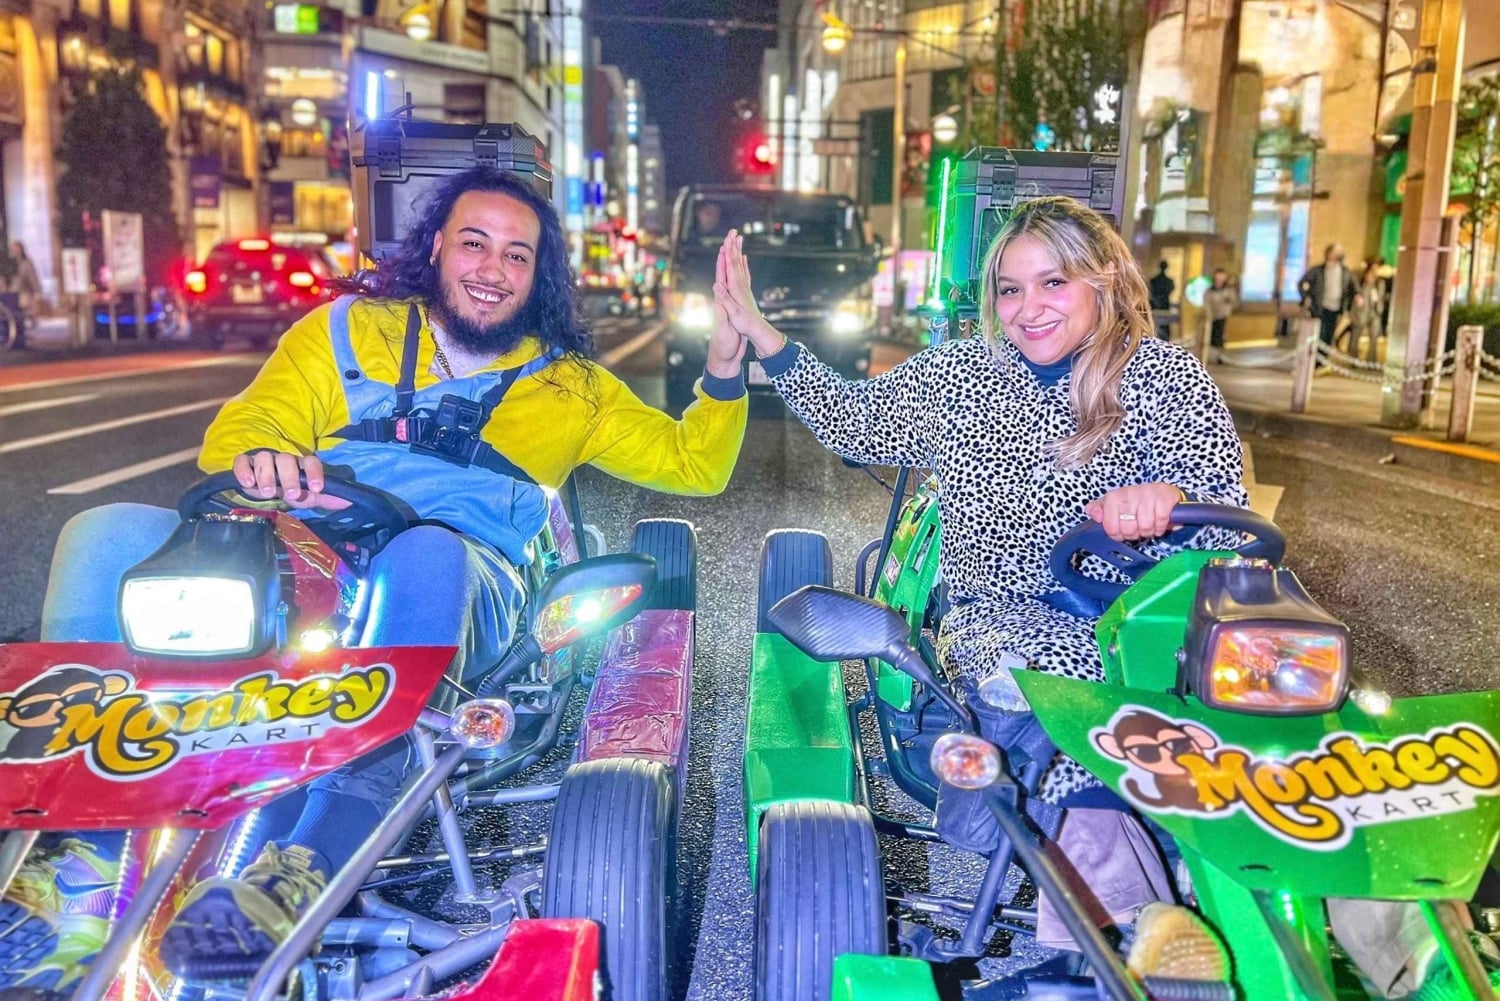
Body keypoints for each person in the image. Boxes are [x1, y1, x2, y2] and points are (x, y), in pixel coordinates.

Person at [0, 165, 750, 993]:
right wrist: (264, 456)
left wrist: (723, 364)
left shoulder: (572, 386)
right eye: (474, 243)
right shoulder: (345, 330)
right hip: (304, 545)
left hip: (460, 576)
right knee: (103, 532)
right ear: (436, 248)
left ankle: (301, 868)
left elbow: (695, 463)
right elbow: (247, 424)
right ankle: (75, 864)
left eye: (516, 254)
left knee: (424, 554)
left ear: (537, 276)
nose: (492, 269)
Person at [711, 197, 1482, 997]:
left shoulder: (1164, 377)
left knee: (1297, 700)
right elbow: (855, 423)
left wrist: (1168, 500)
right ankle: (1142, 920)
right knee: (1072, 700)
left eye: (1054, 282)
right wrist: (762, 334)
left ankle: (1410, 940)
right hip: (1011, 613)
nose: (1028, 307)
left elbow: (1224, 516)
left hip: (1159, 616)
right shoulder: (958, 377)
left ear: (1105, 279)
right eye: (1010, 289)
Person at [1298, 243, 1360, 351]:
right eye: (1336, 252)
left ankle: (1325, 357)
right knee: (1320, 334)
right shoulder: (1318, 270)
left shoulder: (1345, 271)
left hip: (1336, 308)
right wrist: (1306, 298)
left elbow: (1354, 286)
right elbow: (1302, 283)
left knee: (1329, 335)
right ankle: (1317, 357)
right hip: (1320, 308)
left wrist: (1358, 296)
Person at [1344, 260, 1385, 362]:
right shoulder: (1360, 281)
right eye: (1373, 269)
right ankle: (1353, 359)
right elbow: (1355, 295)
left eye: (1376, 269)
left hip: (1374, 313)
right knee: (1356, 336)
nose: (1374, 272)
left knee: (1374, 337)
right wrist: (1366, 284)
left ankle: (1371, 360)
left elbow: (1380, 298)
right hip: (1360, 313)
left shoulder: (1379, 283)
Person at [1202, 268, 1238, 359]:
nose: (1219, 279)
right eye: (1218, 277)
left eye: (1222, 277)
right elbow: (1206, 302)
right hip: (1212, 317)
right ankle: (1212, 355)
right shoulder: (1209, 290)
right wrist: (1208, 313)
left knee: (1220, 335)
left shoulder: (1228, 290)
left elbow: (1234, 302)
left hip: (1223, 316)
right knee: (1211, 336)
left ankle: (1219, 355)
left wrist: (1227, 305)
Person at [1147, 259, 1175, 340]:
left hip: (1157, 305)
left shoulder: (1153, 280)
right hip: (1162, 305)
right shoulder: (1169, 282)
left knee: (1157, 327)